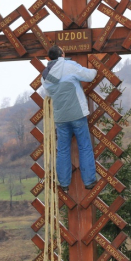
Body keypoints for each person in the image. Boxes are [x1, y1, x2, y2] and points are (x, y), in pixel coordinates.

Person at [41, 45, 98, 192]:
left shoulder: (45, 75)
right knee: (84, 146)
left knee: (63, 150)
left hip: (60, 117)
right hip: (77, 113)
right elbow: (89, 76)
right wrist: (95, 69)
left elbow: (46, 94)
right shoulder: (69, 65)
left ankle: (64, 183)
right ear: (62, 54)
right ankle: (89, 181)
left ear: (50, 58)